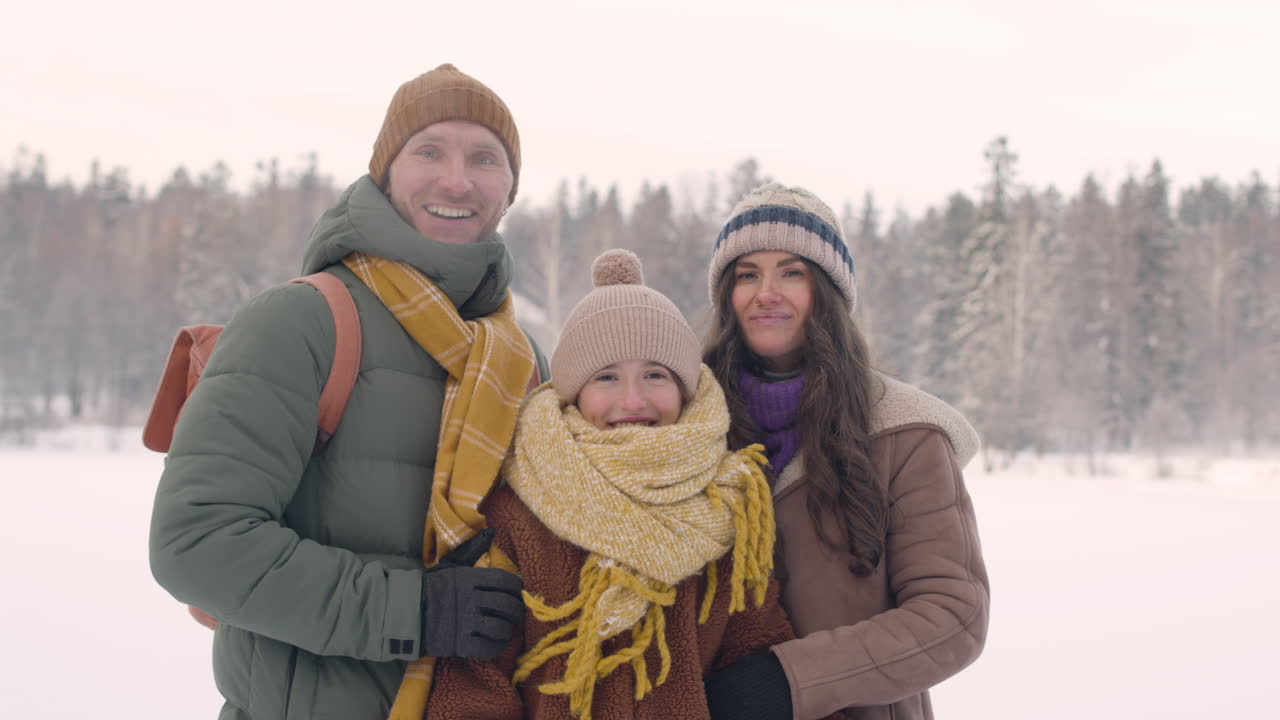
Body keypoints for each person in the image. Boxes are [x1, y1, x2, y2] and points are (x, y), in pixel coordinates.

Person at [149, 63, 550, 720]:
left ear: (509, 191)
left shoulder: (522, 361)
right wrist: (412, 611)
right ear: (385, 173)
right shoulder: (301, 322)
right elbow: (195, 542)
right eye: (429, 151)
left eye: (485, 158)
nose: (457, 179)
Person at [425, 249, 829, 720]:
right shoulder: (517, 512)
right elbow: (474, 685)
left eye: (655, 375)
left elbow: (756, 653)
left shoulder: (729, 509)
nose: (633, 400)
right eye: (607, 377)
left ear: (685, 389)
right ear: (575, 392)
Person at [699, 184, 990, 720]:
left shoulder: (904, 434)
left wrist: (789, 682)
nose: (766, 292)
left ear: (827, 290)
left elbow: (953, 615)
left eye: (792, 272)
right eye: (747, 274)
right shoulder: (685, 420)